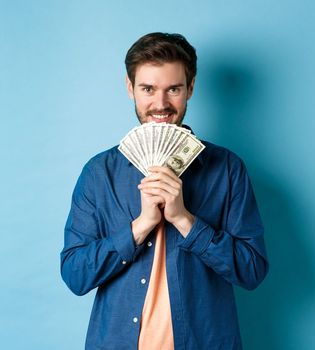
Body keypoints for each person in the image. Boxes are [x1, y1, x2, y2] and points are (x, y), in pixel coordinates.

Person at [60, 32, 269, 349]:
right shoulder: (99, 173)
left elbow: (252, 270)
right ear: (131, 89)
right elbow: (75, 276)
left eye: (173, 89)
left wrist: (185, 220)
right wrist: (140, 226)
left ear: (191, 88)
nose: (160, 104)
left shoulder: (227, 169)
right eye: (148, 89)